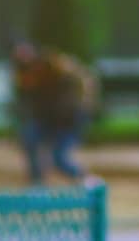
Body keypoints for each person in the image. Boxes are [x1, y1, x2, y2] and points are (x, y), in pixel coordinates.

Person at [11, 41, 96, 185]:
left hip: (68, 120)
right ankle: (37, 182)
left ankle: (86, 179)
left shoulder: (55, 65)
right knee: (29, 138)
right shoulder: (25, 75)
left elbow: (82, 80)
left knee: (59, 158)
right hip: (48, 119)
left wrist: (83, 107)